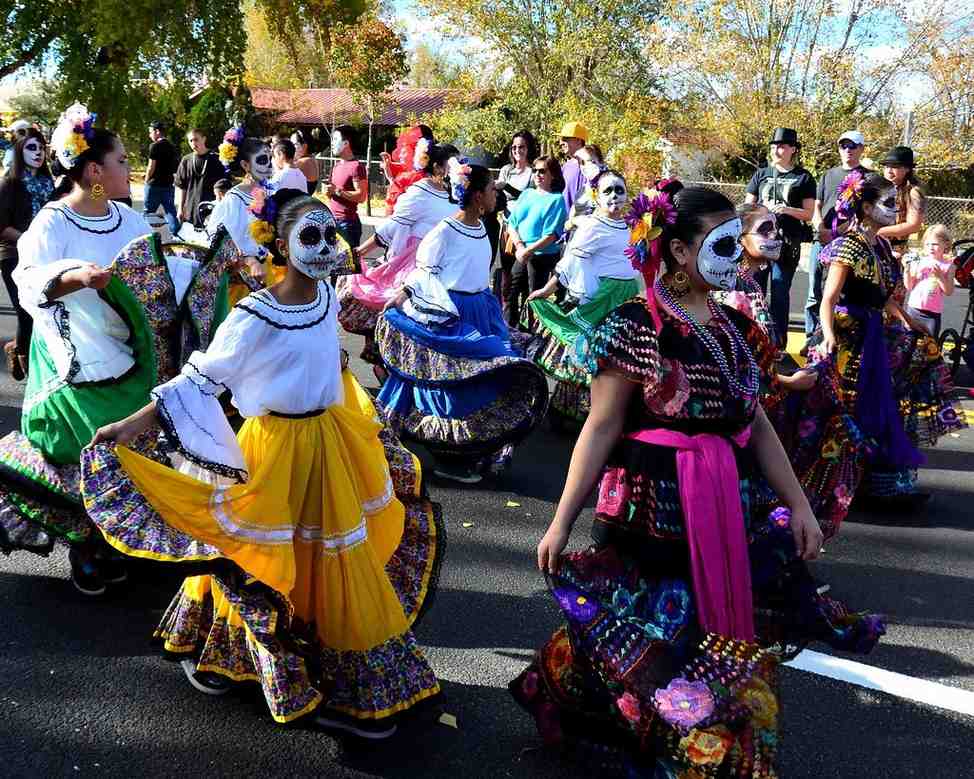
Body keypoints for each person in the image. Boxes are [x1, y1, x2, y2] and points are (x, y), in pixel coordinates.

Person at [510, 182, 884, 777]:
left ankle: (691, 741)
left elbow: (758, 425)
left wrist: (801, 507)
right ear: (680, 251)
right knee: (647, 625)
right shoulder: (637, 325)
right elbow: (601, 428)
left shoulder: (736, 328)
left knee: (703, 630)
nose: (737, 253)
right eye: (724, 241)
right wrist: (561, 521)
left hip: (721, 499)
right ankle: (629, 728)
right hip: (649, 504)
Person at [84, 188, 441, 738]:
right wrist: (131, 426)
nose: (325, 247)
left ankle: (339, 671)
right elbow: (201, 379)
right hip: (276, 450)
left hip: (330, 444)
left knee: (329, 558)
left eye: (330, 235)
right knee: (263, 558)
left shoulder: (326, 296)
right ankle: (238, 652)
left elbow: (329, 355)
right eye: (311, 237)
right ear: (280, 243)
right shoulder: (253, 314)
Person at [0, 104, 230, 593]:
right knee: (89, 446)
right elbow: (27, 281)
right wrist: (76, 277)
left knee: (138, 441)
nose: (130, 167)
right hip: (77, 355)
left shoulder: (126, 218)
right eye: (122, 161)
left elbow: (160, 264)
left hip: (134, 353)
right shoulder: (53, 223)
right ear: (93, 172)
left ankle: (125, 535)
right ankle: (87, 544)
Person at [788, 172, 962, 527]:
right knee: (839, 409)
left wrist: (909, 321)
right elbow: (829, 298)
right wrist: (827, 334)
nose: (894, 210)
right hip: (849, 336)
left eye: (894, 204)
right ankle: (824, 487)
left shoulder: (881, 246)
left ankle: (879, 482)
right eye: (886, 204)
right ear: (865, 207)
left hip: (874, 332)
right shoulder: (849, 245)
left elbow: (883, 297)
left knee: (917, 363)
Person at [376, 160, 549, 482]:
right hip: (453, 314)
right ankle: (449, 458)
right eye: (490, 189)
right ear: (477, 196)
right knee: (454, 385)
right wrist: (403, 297)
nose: (496, 194)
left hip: (481, 310)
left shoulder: (482, 226)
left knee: (487, 379)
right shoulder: (444, 231)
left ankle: (472, 451)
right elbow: (424, 271)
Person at [523, 169, 639, 425]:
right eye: (607, 191)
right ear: (596, 196)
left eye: (619, 190)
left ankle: (595, 411)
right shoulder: (593, 226)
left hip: (627, 298)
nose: (614, 196)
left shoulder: (633, 225)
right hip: (603, 298)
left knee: (612, 356)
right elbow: (570, 262)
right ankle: (563, 409)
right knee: (587, 351)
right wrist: (547, 290)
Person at [336, 143, 458, 380]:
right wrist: (360, 251)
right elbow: (391, 228)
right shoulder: (420, 193)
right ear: (437, 167)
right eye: (452, 163)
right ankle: (388, 368)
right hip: (414, 267)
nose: (458, 168)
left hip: (444, 267)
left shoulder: (454, 195)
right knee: (405, 321)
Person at [744, 128, 816, 348]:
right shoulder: (761, 174)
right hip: (758, 243)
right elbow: (747, 207)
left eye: (783, 145)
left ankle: (777, 344)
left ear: (793, 149)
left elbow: (809, 214)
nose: (777, 149)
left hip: (786, 243)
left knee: (779, 293)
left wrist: (787, 210)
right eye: (774, 145)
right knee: (753, 290)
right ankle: (750, 340)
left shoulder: (803, 177)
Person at [0, 128, 55, 380]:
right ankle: (26, 362)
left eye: (42, 147)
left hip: (44, 256)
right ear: (20, 151)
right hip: (12, 255)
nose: (38, 153)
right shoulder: (9, 183)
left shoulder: (49, 183)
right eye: (32, 147)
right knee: (25, 311)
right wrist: (29, 240)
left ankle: (17, 347)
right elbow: (2, 226)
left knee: (42, 310)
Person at [806, 130, 870, 340]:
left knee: (836, 294)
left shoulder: (867, 178)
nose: (848, 150)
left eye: (852, 146)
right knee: (814, 293)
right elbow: (817, 206)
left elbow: (865, 214)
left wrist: (838, 231)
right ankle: (812, 337)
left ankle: (833, 335)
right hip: (821, 241)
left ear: (861, 149)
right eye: (844, 146)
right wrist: (819, 228)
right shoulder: (828, 175)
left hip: (847, 245)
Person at [206, 127, 278, 304]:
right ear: (245, 165)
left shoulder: (270, 193)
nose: (269, 165)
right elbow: (221, 238)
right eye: (262, 160)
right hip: (242, 279)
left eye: (270, 159)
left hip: (268, 271)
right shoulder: (234, 199)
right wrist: (250, 261)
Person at [505, 156, 569, 328]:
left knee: (534, 298)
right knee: (511, 292)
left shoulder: (556, 199)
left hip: (542, 256)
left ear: (553, 175)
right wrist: (519, 246)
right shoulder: (526, 194)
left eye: (543, 171)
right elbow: (512, 223)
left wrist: (529, 251)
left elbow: (552, 235)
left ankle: (532, 335)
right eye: (535, 170)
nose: (538, 174)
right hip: (521, 252)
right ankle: (508, 330)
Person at [493, 130, 538, 315]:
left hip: (524, 228)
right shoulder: (506, 170)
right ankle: (505, 312)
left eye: (521, 147)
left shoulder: (533, 172)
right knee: (505, 273)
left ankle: (525, 315)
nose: (517, 150)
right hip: (505, 226)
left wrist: (507, 187)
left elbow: (531, 198)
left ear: (528, 149)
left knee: (522, 274)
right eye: (514, 147)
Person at [902, 224, 955, 336]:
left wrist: (940, 276)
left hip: (932, 315)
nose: (931, 247)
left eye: (935, 244)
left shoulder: (949, 266)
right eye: (927, 244)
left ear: (946, 244)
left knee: (929, 347)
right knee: (907, 343)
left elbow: (948, 291)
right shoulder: (919, 261)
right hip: (913, 310)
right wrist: (906, 270)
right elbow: (909, 286)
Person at [877, 146, 925, 256]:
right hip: (874, 244)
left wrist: (878, 232)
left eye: (895, 166)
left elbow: (914, 225)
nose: (889, 170)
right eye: (886, 166)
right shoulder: (879, 188)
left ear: (907, 168)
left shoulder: (914, 192)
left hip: (895, 250)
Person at [326, 125, 368, 248]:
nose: (332, 143)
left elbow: (362, 196)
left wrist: (337, 191)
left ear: (346, 143)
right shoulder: (336, 165)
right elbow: (333, 194)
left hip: (348, 224)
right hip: (332, 221)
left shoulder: (356, 167)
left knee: (350, 265)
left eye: (335, 139)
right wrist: (329, 192)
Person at [175, 128, 225, 230]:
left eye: (196, 139)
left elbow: (223, 188)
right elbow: (182, 187)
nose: (193, 143)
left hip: (209, 210)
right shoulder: (186, 160)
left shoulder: (216, 159)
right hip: (190, 210)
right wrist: (180, 208)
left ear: (204, 139)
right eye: (190, 141)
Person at [380, 125, 434, 216]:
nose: (400, 155)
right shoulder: (432, 174)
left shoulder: (411, 177)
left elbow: (391, 209)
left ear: (415, 153)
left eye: (404, 152)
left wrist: (391, 179)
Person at [143, 121, 180, 235]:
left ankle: (142, 233)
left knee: (148, 211)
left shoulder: (155, 146)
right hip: (168, 184)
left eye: (151, 132)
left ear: (157, 131)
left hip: (154, 185)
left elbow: (151, 166)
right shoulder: (172, 146)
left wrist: (146, 180)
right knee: (170, 212)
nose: (150, 135)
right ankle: (176, 234)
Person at [558, 121, 589, 212]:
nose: (561, 142)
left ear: (578, 140)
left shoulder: (592, 166)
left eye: (565, 138)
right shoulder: (566, 167)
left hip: (584, 223)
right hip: (565, 223)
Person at [290, 129, 319, 195]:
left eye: (294, 144)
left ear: (305, 146)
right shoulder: (311, 159)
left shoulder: (304, 162)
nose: (290, 147)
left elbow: (281, 176)